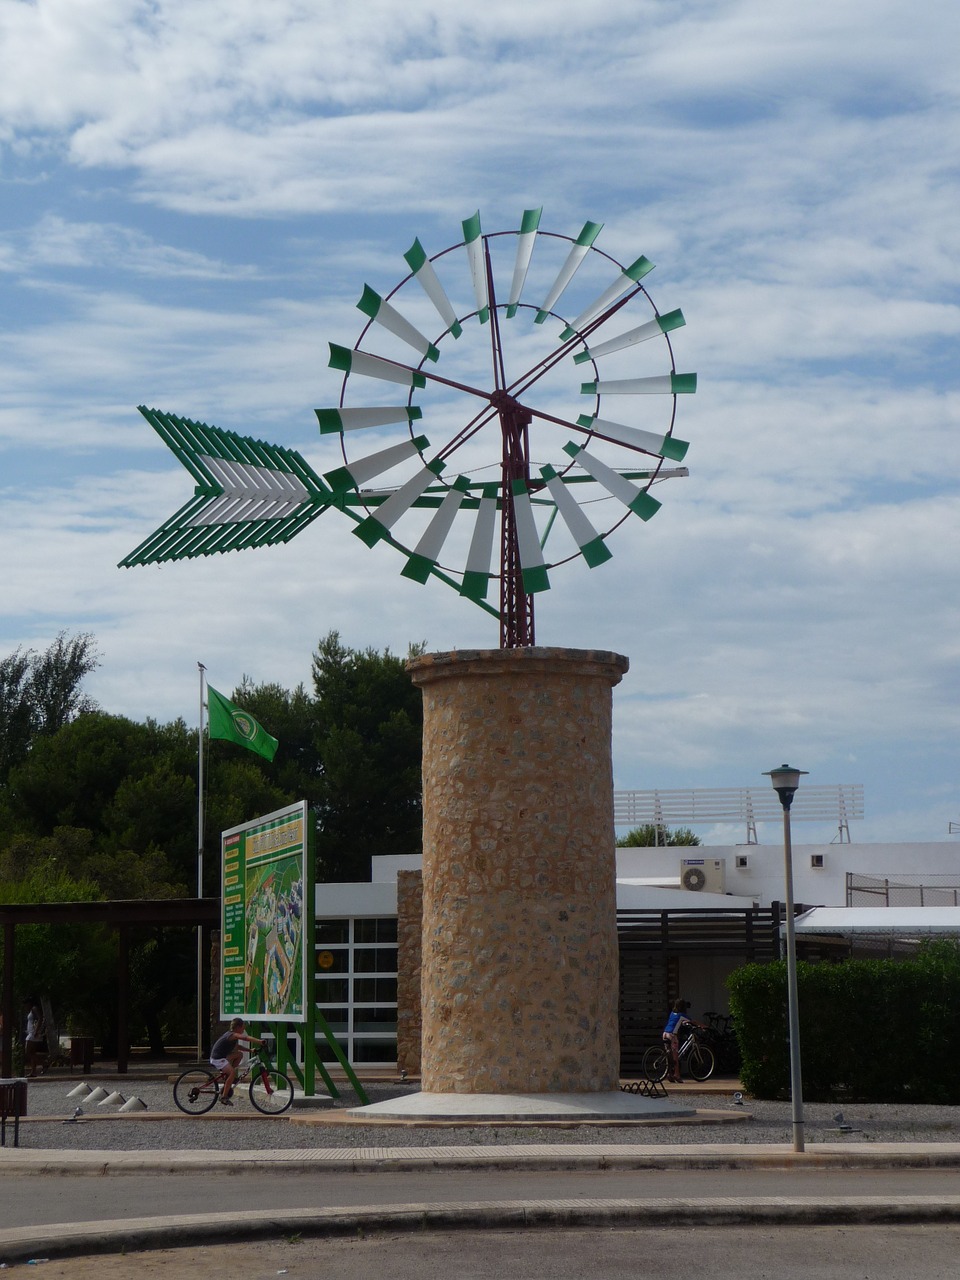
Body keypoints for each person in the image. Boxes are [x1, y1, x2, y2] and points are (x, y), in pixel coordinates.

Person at [209, 1018, 264, 1105]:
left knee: (239, 1055)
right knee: (232, 1073)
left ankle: (230, 1077)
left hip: (222, 1057)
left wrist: (250, 1050)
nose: (243, 1029)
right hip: (218, 1058)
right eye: (243, 1027)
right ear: (238, 1027)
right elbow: (245, 1038)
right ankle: (224, 1097)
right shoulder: (233, 1035)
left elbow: (237, 1047)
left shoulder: (231, 1036)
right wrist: (259, 1041)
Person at [661, 999, 704, 1083]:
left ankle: (669, 1074)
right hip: (672, 1035)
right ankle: (677, 1075)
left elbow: (677, 1022)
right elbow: (693, 1021)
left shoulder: (672, 1013)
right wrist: (702, 1026)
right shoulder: (682, 1015)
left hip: (665, 1033)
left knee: (669, 1055)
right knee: (675, 1056)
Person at [24, 999, 47, 1078]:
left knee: (28, 1051)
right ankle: (33, 1071)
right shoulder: (31, 1010)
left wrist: (36, 1031)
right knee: (32, 1053)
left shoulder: (34, 1008)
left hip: (34, 1033)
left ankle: (43, 1063)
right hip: (31, 1033)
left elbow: (40, 1018)